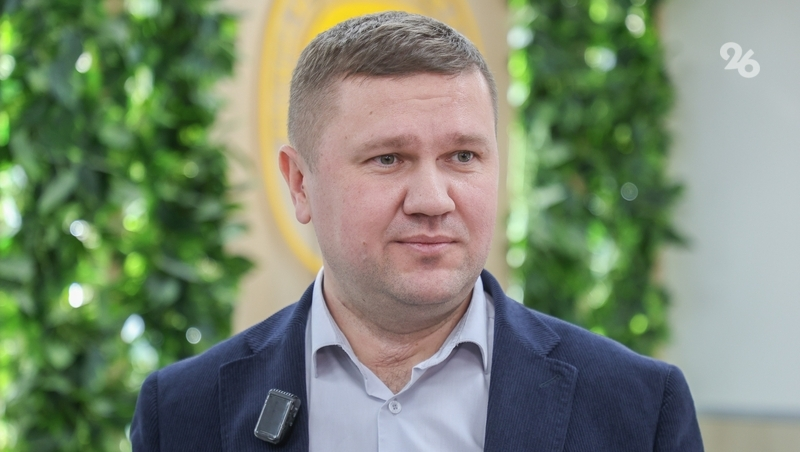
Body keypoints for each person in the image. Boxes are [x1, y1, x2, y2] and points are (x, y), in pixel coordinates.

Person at [131, 11, 703, 451]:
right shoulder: (183, 413)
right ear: (300, 183)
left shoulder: (637, 408)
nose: (432, 200)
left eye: (462, 156)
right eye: (388, 159)